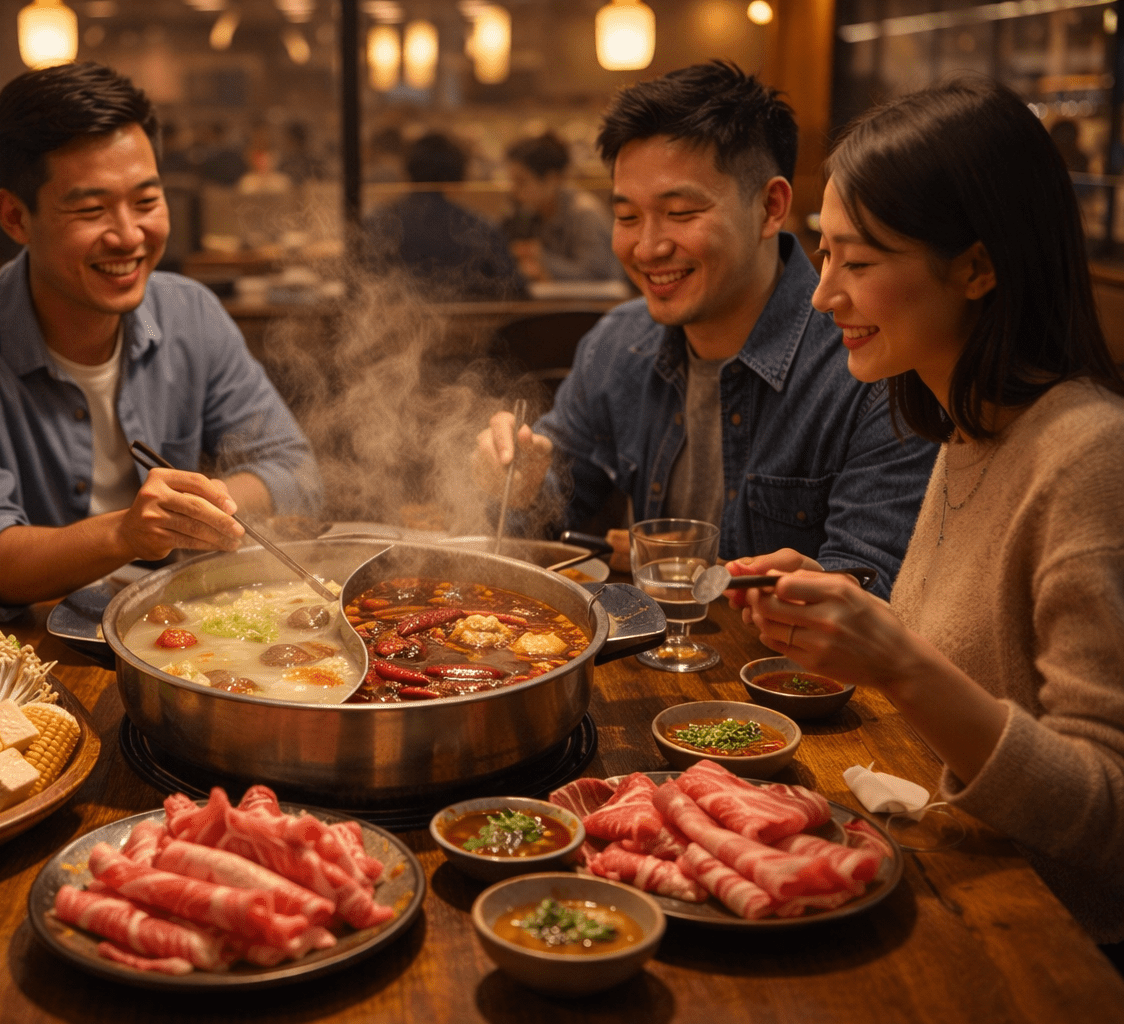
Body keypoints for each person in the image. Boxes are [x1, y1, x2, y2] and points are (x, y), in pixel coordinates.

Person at [729, 79, 1124, 952]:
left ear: (978, 267)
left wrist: (898, 661)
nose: (823, 296)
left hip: (1059, 948)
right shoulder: (965, 427)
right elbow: (982, 671)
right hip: (956, 882)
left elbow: (1108, 816)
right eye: (821, 255)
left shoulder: (1090, 457)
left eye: (858, 264)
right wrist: (856, 615)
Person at [473, 61, 936, 596]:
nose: (648, 247)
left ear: (771, 207)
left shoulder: (872, 364)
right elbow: (543, 531)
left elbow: (872, 595)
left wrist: (718, 576)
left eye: (681, 212)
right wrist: (521, 486)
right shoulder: (619, 344)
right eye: (626, 217)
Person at [0, 63, 321, 621]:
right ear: (15, 217)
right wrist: (130, 531)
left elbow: (295, 469)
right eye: (91, 209)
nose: (129, 236)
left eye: (146, 201)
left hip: (175, 632)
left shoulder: (190, 313)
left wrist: (200, 508)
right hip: (20, 656)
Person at [365, 131, 528, 300]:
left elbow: (358, 284)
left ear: (407, 172)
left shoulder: (376, 223)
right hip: (471, 326)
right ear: (459, 177)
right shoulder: (481, 228)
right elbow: (517, 292)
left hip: (393, 325)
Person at [502, 132, 619, 282]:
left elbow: (598, 276)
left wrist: (540, 258)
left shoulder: (584, 214)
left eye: (521, 181)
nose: (513, 190)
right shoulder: (531, 213)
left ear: (552, 180)